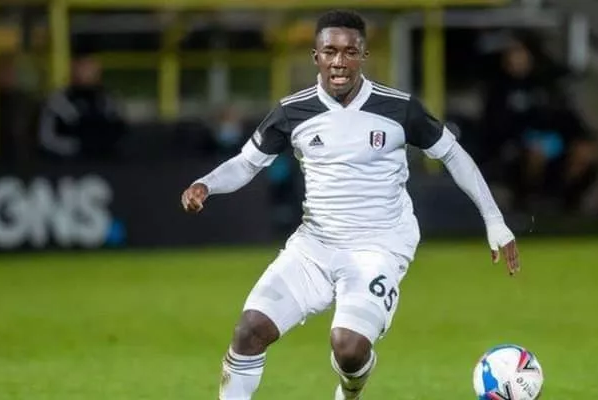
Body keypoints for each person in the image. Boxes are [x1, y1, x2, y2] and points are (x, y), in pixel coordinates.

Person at [181, 10, 519, 400]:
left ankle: (350, 388)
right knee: (249, 330)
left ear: (363, 55)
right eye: (330, 52)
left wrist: (494, 220)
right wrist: (206, 185)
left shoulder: (399, 108)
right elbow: (247, 163)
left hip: (379, 246)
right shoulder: (292, 111)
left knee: (349, 348)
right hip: (314, 246)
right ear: (316, 57)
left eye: (349, 52)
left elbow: (453, 154)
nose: (339, 62)